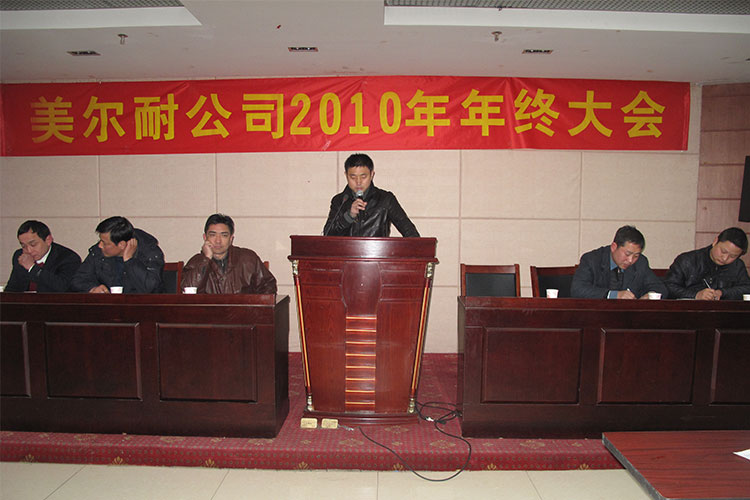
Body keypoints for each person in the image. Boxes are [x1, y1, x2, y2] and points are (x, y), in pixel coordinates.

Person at [323, 153, 419, 237]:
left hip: (377, 252)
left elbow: (410, 233)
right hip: (346, 253)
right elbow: (327, 235)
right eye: (353, 177)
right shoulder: (339, 201)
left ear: (372, 174)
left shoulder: (386, 199)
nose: (358, 182)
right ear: (346, 175)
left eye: (363, 176)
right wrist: (349, 216)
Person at [181, 214, 277, 294]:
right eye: (213, 235)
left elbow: (268, 286)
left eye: (224, 235)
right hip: (208, 311)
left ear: (231, 239)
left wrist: (254, 308)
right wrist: (206, 259)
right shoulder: (196, 262)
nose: (218, 241)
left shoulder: (248, 258)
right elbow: (187, 292)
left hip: (244, 311)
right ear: (205, 237)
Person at [71, 216, 164, 293]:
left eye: (105, 243)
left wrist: (129, 261)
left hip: (140, 306)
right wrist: (92, 288)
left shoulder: (149, 252)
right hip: (107, 306)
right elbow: (78, 280)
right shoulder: (98, 252)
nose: (100, 245)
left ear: (121, 245)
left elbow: (151, 288)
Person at [571, 225, 667, 299]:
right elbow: (578, 289)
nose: (630, 260)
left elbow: (660, 288)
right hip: (596, 315)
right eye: (627, 254)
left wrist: (650, 295)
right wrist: (613, 295)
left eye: (636, 256)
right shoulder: (592, 260)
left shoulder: (641, 263)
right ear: (614, 247)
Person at [664, 227, 750, 300]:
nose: (725, 258)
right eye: (723, 251)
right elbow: (669, 286)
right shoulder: (687, 260)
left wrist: (723, 293)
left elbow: (747, 289)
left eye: (733, 256)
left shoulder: (737, 266)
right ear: (715, 241)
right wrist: (696, 295)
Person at [5, 220, 81, 292]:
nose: (29, 250)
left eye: (33, 244)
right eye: (24, 246)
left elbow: (63, 288)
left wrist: (32, 268)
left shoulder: (68, 258)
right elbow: (12, 289)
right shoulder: (20, 256)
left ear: (48, 240)